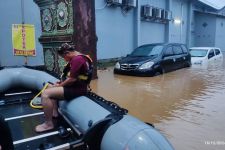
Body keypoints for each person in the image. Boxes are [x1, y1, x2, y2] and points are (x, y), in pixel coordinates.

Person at [35, 43, 93, 132]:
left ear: (67, 53)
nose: (65, 60)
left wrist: (60, 85)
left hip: (77, 90)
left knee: (45, 94)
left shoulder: (77, 60)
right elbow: (75, 77)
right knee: (50, 86)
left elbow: (72, 79)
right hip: (77, 86)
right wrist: (61, 83)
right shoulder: (81, 57)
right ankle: (54, 113)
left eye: (63, 57)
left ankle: (48, 124)